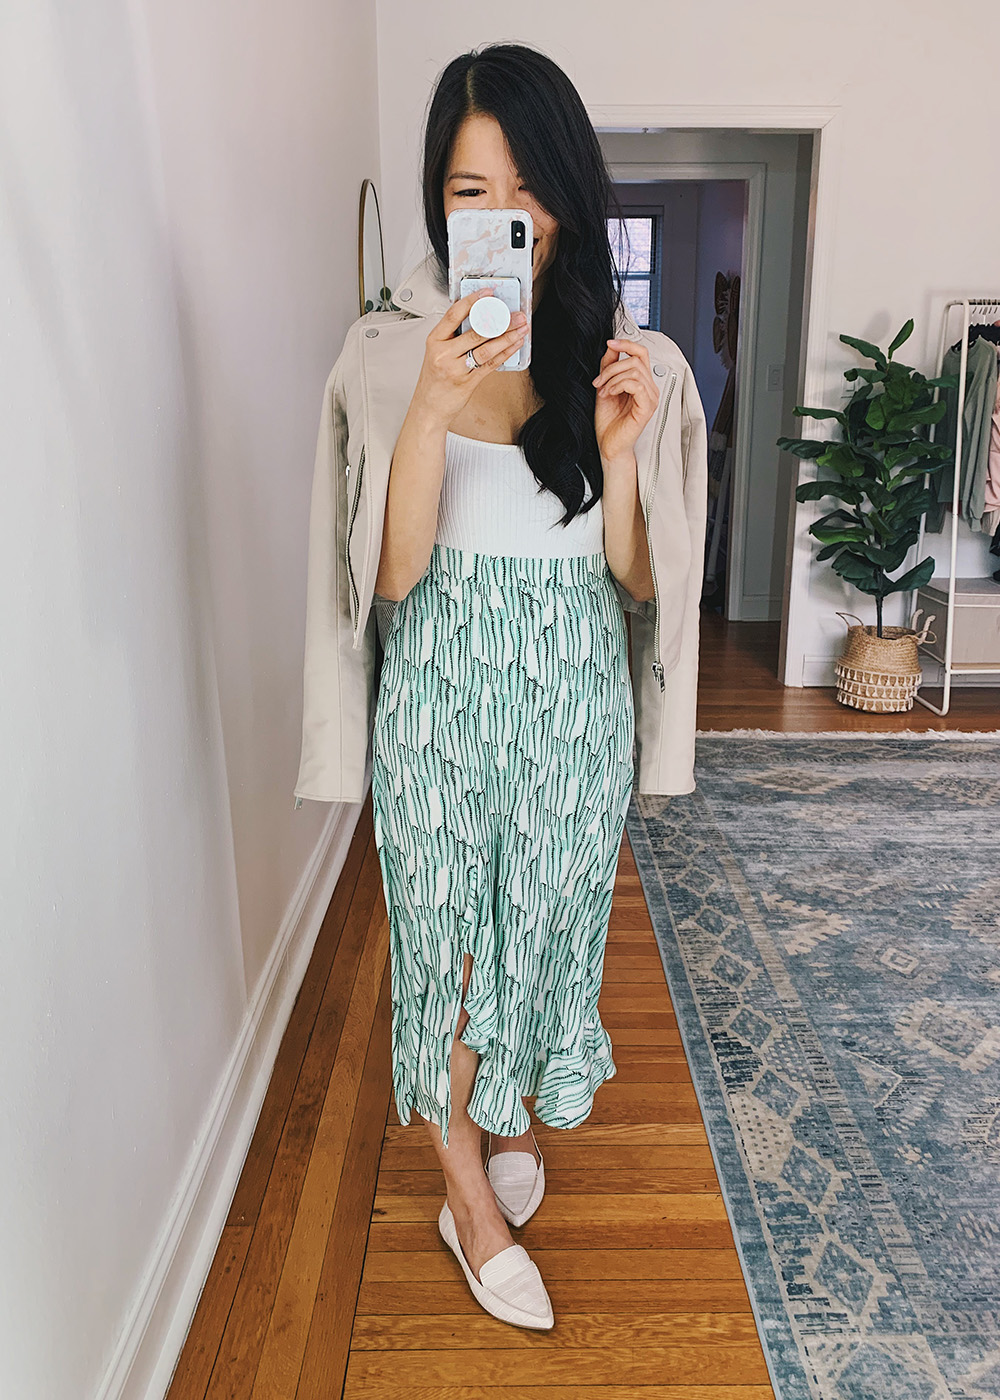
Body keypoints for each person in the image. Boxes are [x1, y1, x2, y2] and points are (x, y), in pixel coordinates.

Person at [368, 41, 671, 1332]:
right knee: (445, 942)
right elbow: (392, 580)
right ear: (440, 205)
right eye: (469, 191)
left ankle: (501, 1117)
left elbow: (636, 582)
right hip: (442, 701)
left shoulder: (620, 356)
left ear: (567, 193)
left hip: (572, 709)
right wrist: (430, 409)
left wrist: (622, 454)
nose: (501, 216)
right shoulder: (394, 354)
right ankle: (466, 1198)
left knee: (539, 932)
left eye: (526, 188)